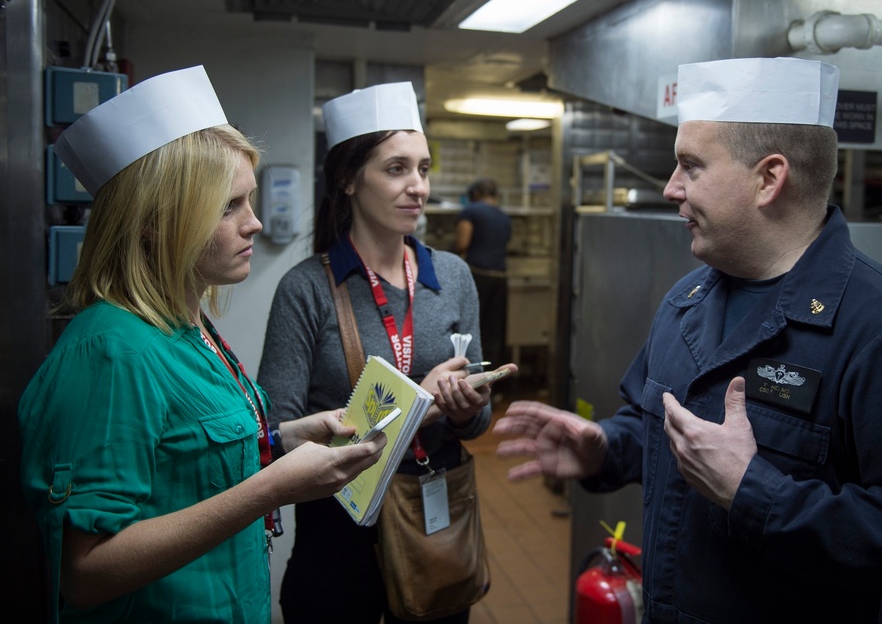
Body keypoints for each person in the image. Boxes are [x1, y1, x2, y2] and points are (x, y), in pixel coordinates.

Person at [494, 57, 882, 623]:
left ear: (768, 179)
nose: (670, 188)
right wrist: (606, 447)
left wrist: (756, 493)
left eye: (691, 166)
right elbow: (655, 420)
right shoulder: (687, 301)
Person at [18, 66, 387, 623]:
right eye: (228, 207)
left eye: (250, 201)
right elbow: (86, 573)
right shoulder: (111, 352)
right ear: (153, 222)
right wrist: (269, 489)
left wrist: (285, 437)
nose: (255, 225)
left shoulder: (187, 328)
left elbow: (184, 457)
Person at [258, 81, 513, 624]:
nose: (417, 186)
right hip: (338, 533)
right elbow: (275, 433)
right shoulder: (306, 290)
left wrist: (467, 407)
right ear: (349, 179)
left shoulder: (453, 276)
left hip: (434, 522)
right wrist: (415, 403)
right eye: (396, 169)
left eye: (423, 168)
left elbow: (478, 421)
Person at [454, 178, 513, 367]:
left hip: (479, 276)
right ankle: (494, 383)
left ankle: (473, 375)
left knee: (474, 329)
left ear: (476, 194)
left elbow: (462, 244)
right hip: (500, 278)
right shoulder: (504, 217)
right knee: (495, 331)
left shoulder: (470, 211)